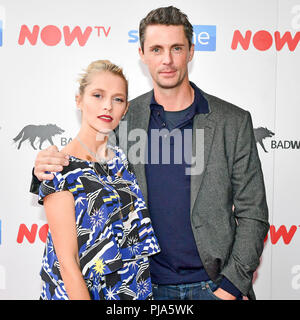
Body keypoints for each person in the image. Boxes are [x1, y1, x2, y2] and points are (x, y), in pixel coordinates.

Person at [31, 6, 269, 300]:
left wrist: (231, 287)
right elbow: (85, 165)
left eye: (176, 48)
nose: (166, 60)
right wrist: (42, 168)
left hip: (215, 286)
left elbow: (253, 214)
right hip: (143, 289)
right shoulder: (122, 117)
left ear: (191, 51)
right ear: (142, 54)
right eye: (156, 49)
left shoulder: (232, 122)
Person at [36, 60, 160, 300]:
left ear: (125, 109)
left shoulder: (121, 161)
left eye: (117, 99)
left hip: (132, 291)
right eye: (97, 95)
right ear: (78, 100)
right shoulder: (58, 168)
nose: (108, 106)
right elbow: (67, 264)